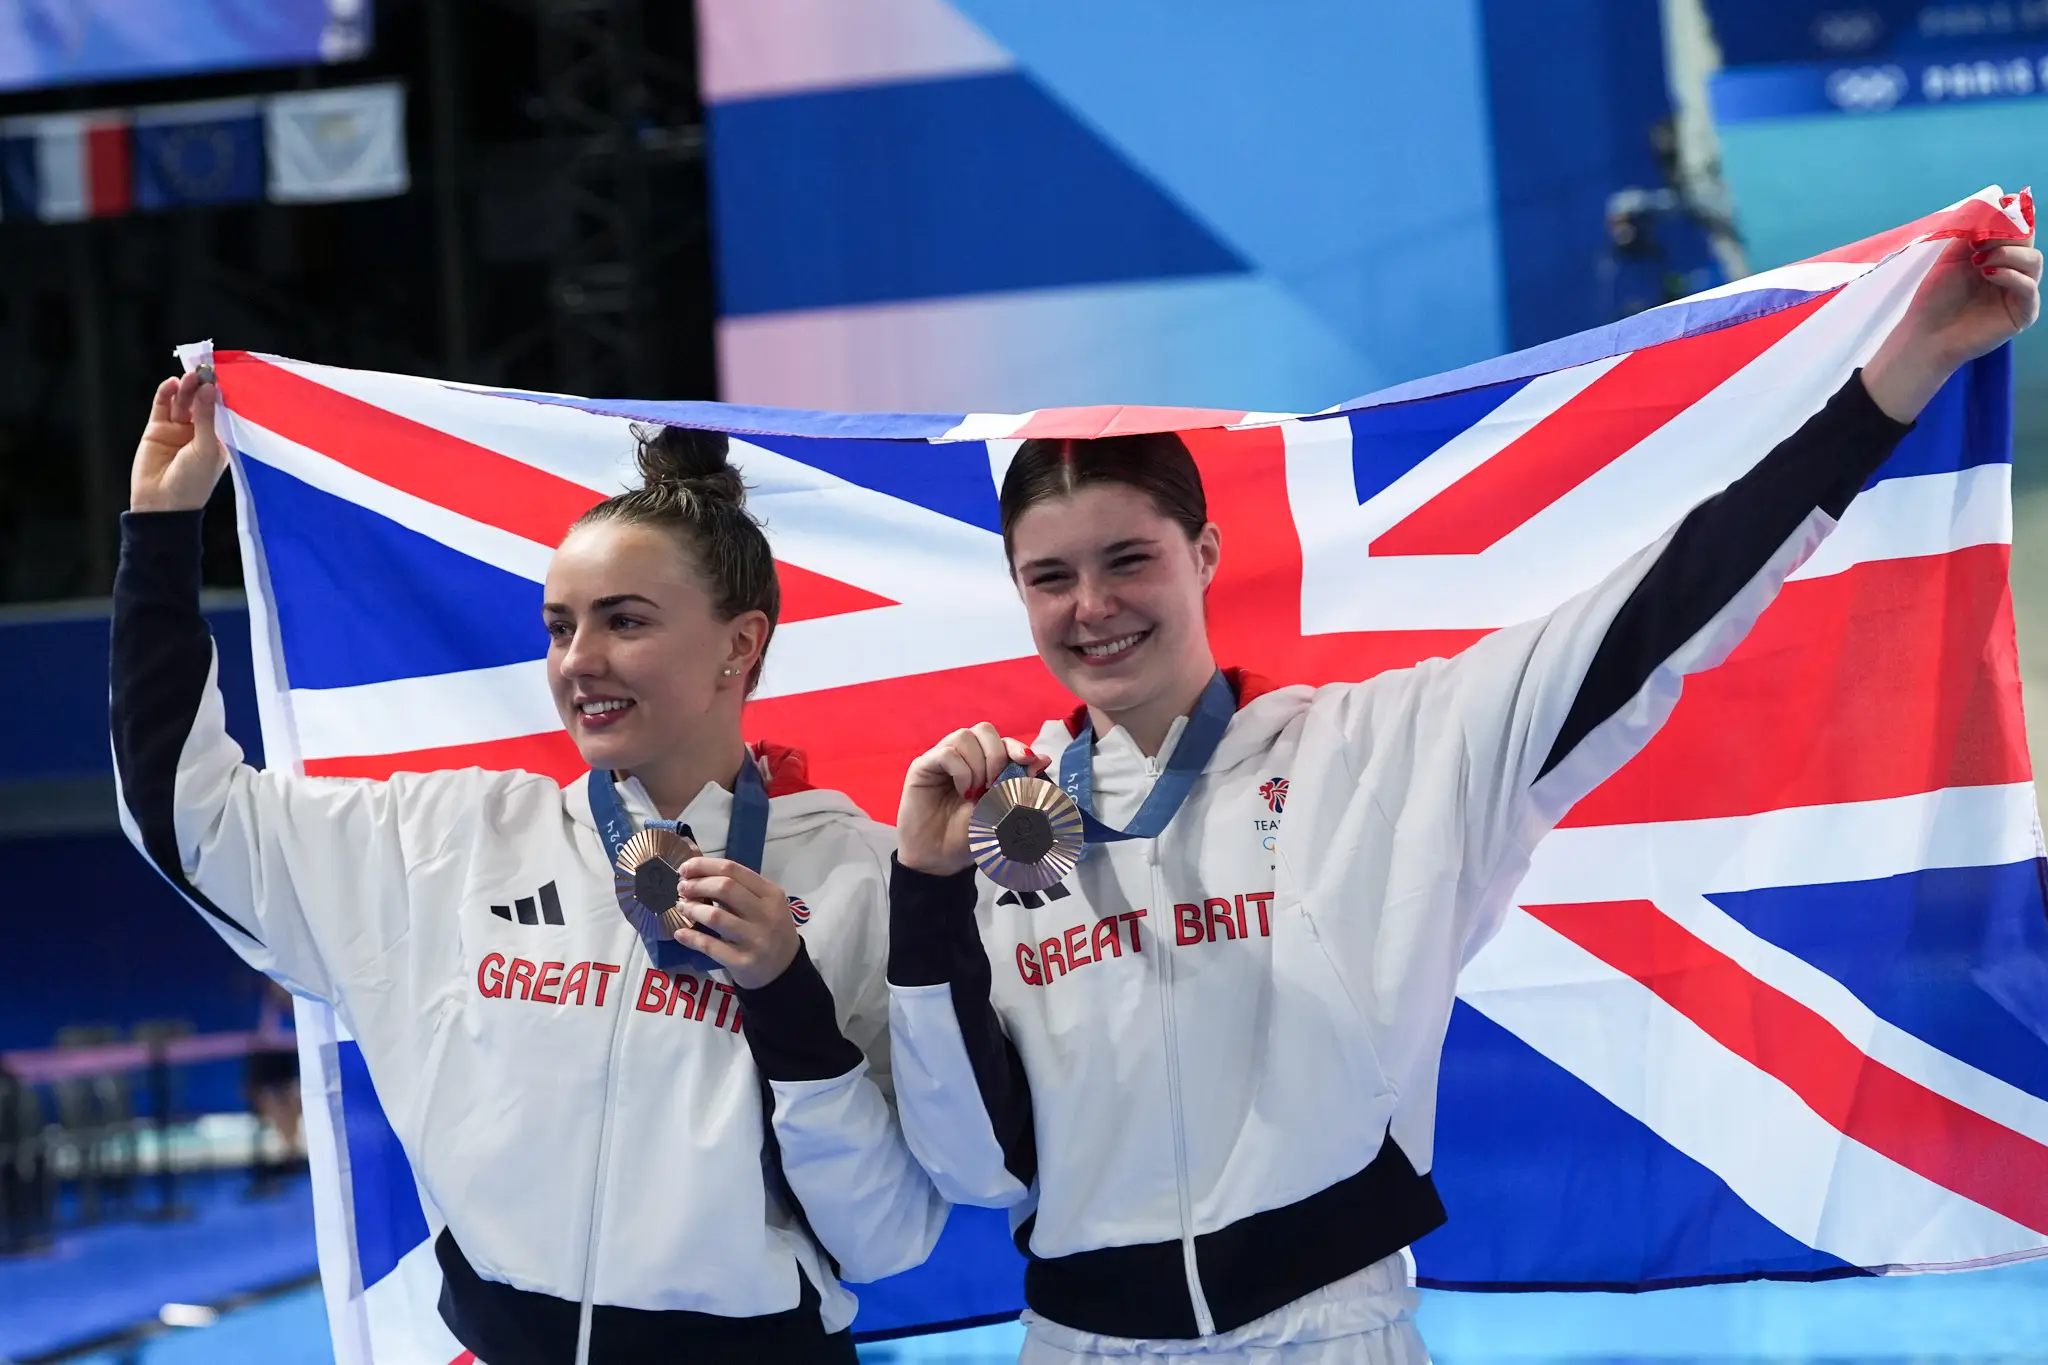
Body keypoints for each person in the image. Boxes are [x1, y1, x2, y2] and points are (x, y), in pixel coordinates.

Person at [886, 232, 2043, 1364]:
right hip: (1075, 1342)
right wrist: (925, 895)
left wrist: (1898, 376)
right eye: (1051, 577)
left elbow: (1665, 602)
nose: (1091, 605)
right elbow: (974, 1166)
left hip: (1328, 1337)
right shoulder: (994, 820)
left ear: (1204, 550)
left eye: (1126, 558)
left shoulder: (1391, 750)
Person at [112, 381, 946, 1365]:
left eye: (624, 621)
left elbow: (886, 1237)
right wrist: (161, 531)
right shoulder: (453, 840)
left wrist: (789, 1001)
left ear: (741, 644)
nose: (577, 661)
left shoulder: (854, 875)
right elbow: (190, 819)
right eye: (559, 627)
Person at [243, 977, 302, 1197]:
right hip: (262, 1081)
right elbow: (254, 1082)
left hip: (285, 1079)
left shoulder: (299, 1015)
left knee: (293, 1097)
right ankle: (291, 1155)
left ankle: (291, 1153)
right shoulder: (261, 1018)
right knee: (270, 1099)